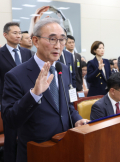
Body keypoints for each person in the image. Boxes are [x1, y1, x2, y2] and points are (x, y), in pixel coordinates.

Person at [1, 18, 88, 162]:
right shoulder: (16, 75)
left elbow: (67, 107)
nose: (58, 46)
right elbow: (10, 120)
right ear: (35, 41)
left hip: (65, 147)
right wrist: (34, 94)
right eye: (52, 39)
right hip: (37, 152)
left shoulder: (63, 69)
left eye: (62, 40)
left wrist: (77, 120)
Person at [0, 22, 32, 162]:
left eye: (19, 33)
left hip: (28, 100)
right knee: (11, 139)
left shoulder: (27, 52)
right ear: (5, 35)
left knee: (27, 136)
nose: (18, 35)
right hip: (9, 102)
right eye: (15, 33)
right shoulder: (1, 54)